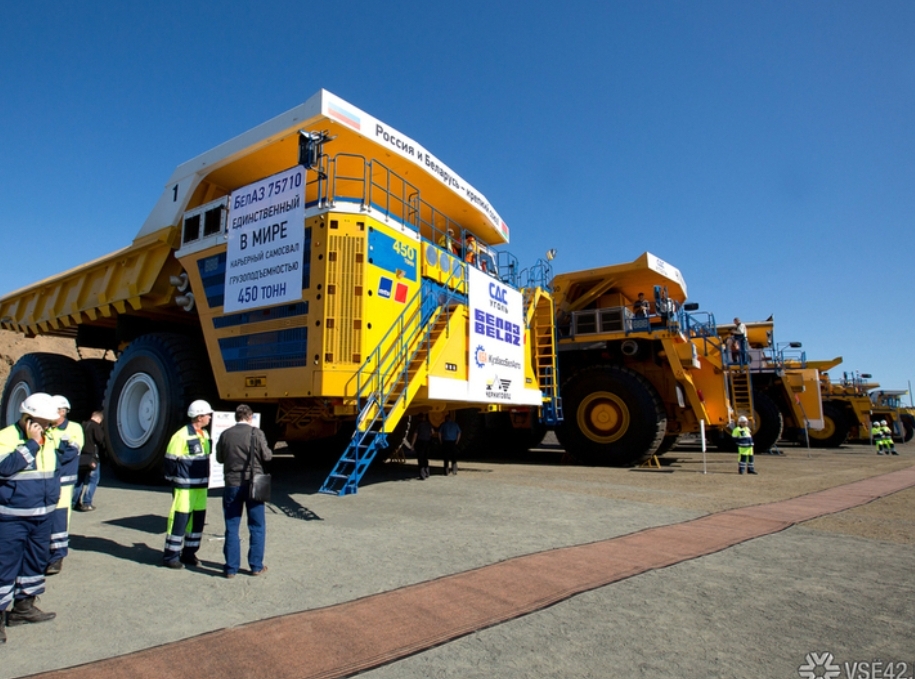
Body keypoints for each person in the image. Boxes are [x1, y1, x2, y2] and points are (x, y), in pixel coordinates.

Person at [0, 393, 72, 643]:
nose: (50, 425)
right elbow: (4, 468)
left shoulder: (49, 438)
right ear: (29, 419)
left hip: (42, 517)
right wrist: (31, 444)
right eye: (45, 421)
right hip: (12, 518)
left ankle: (23, 608)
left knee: (34, 563)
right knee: (4, 567)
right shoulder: (6, 438)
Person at [215, 404, 272, 579]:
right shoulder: (256, 433)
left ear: (236, 417)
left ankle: (231, 568)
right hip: (254, 483)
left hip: (232, 483)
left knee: (232, 526)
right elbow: (267, 456)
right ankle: (256, 566)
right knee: (257, 525)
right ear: (250, 417)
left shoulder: (226, 434)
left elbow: (219, 458)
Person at [162, 400, 213, 569]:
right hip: (185, 487)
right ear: (199, 416)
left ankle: (189, 553)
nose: (209, 417)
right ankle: (171, 556)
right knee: (179, 520)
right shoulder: (181, 435)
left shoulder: (204, 435)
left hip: (201, 487)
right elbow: (170, 461)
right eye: (207, 415)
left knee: (197, 521)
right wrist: (174, 480)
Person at [45, 395, 83, 575]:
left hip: (63, 483)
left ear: (61, 411)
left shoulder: (74, 429)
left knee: (59, 520)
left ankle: (57, 557)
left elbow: (70, 453)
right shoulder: (46, 429)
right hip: (44, 481)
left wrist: (48, 455)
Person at [74, 410, 105, 511]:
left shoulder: (82, 425)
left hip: (81, 457)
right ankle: (87, 502)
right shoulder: (95, 426)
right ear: (99, 419)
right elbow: (100, 440)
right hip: (92, 458)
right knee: (93, 480)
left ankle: (75, 502)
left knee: (79, 480)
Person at [410, 414, 435, 480]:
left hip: (420, 442)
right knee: (425, 458)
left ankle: (422, 474)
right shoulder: (428, 424)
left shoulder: (418, 425)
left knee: (420, 458)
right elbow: (433, 432)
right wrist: (428, 435)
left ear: (418, 418)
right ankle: (427, 472)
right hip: (427, 442)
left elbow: (415, 435)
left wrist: (412, 444)